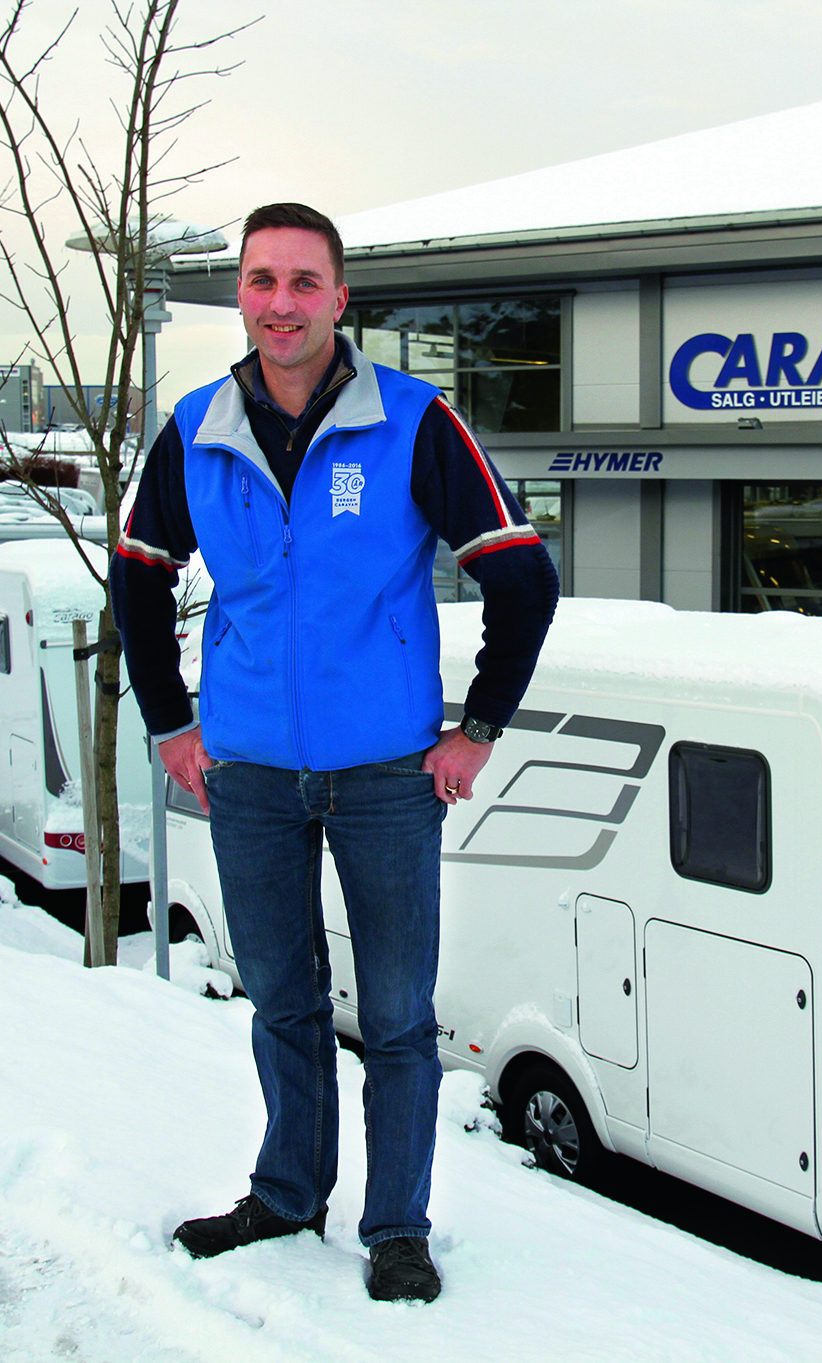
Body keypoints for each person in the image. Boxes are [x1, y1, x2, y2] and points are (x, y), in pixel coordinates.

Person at [111, 202, 559, 1304]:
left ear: (340, 297)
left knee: (398, 1017)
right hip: (250, 772)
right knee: (281, 1000)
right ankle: (286, 1193)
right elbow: (137, 573)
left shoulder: (413, 419)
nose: (282, 303)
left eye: (304, 282)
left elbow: (521, 576)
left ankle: (396, 1225)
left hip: (385, 775)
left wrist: (477, 730)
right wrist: (171, 722)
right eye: (262, 280)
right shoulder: (196, 427)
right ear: (242, 294)